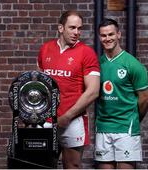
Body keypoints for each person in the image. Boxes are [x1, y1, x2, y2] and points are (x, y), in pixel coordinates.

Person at [37, 10, 100, 169]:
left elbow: (93, 91)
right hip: (45, 119)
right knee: (41, 164)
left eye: (79, 28)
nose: (76, 32)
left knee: (71, 165)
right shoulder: (45, 49)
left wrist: (67, 116)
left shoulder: (87, 53)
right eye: (72, 28)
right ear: (60, 28)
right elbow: (38, 85)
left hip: (72, 120)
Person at [94, 18, 148, 169]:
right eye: (103, 35)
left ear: (119, 34)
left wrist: (133, 118)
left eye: (111, 34)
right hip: (103, 127)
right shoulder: (97, 64)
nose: (107, 38)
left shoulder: (133, 64)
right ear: (100, 37)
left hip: (126, 128)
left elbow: (145, 99)